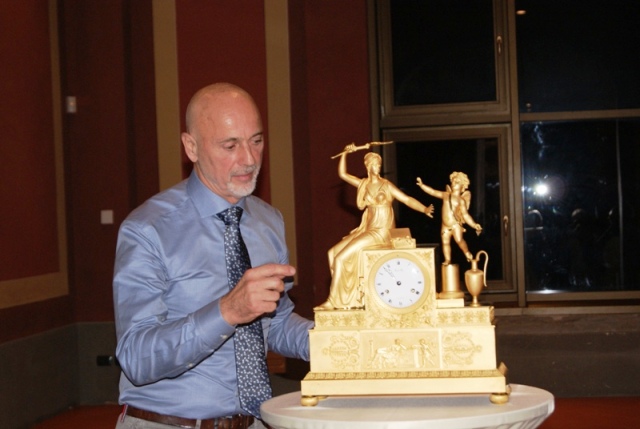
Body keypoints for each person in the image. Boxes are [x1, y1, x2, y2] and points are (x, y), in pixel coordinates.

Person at [113, 83, 313, 429]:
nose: (249, 159)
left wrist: (339, 343)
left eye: (256, 141)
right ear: (191, 147)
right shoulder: (148, 229)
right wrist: (227, 311)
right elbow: (137, 357)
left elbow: (276, 323)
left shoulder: (269, 221)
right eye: (230, 145)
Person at [316, 143, 434, 310]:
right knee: (332, 253)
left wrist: (424, 209)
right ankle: (348, 297)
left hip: (381, 231)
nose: (378, 167)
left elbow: (406, 199)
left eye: (379, 164)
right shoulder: (363, 184)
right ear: (368, 166)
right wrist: (345, 153)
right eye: (375, 164)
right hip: (368, 229)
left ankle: (333, 301)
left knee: (340, 258)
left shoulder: (386, 185)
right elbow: (343, 174)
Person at [416, 171, 482, 265]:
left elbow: (465, 215)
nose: (454, 183)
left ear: (463, 186)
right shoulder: (445, 195)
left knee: (459, 240)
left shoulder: (461, 200)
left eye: (457, 182)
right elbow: (433, 192)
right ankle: (447, 259)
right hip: (445, 226)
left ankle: (467, 252)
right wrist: (422, 185)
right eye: (453, 181)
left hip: (455, 225)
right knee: (445, 242)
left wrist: (474, 225)